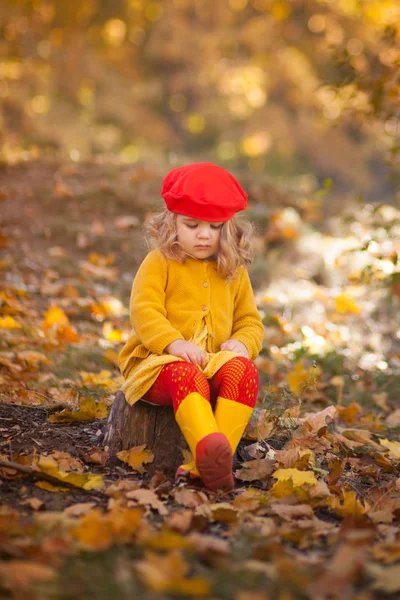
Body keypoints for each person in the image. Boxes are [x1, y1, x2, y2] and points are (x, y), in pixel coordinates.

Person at [118, 162, 264, 492]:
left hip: (212, 363)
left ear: (226, 229)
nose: (203, 234)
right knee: (187, 375)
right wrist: (173, 343)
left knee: (245, 371)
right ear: (172, 225)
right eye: (192, 225)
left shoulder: (233, 271)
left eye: (213, 227)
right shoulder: (159, 262)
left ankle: (209, 463)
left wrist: (243, 343)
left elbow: (249, 321)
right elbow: (144, 312)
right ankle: (210, 452)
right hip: (159, 365)